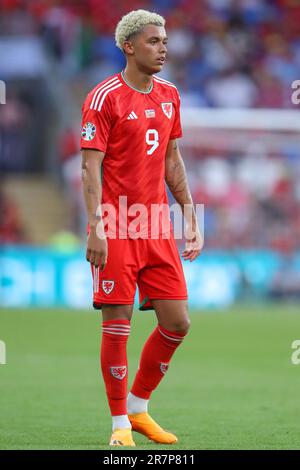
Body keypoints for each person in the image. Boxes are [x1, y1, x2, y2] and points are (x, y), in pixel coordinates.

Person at [80, 9, 202, 447]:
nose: (163, 47)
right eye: (154, 41)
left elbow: (172, 160)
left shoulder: (170, 94)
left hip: (155, 225)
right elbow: (89, 170)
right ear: (129, 46)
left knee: (178, 322)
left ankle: (138, 408)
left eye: (165, 40)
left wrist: (188, 213)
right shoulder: (104, 98)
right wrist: (96, 227)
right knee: (118, 325)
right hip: (115, 225)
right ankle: (118, 427)